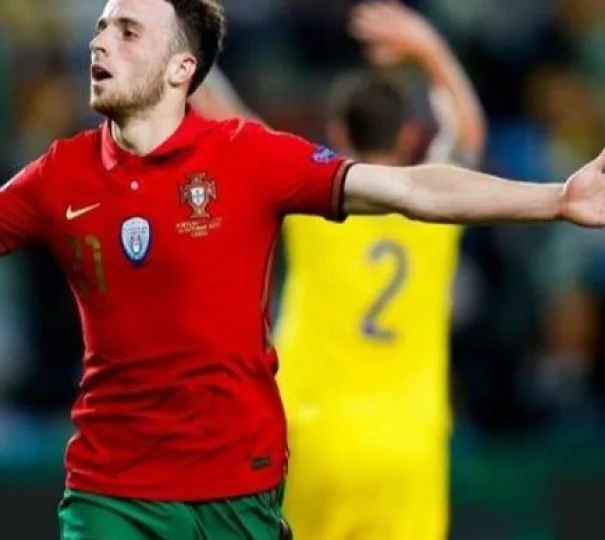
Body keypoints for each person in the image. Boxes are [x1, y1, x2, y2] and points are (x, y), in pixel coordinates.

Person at [0, 0, 605, 538]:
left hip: (244, 493)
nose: (98, 40)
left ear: (181, 68)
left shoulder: (254, 159)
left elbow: (413, 187)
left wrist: (553, 197)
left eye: (125, 29)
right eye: (99, 25)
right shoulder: (61, 175)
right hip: (113, 493)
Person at [192, 2, 482, 539]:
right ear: (407, 136)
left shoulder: (310, 198)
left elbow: (225, 118)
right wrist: (428, 49)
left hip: (311, 432)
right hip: (408, 440)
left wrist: (177, 36)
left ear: (337, 132)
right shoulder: (437, 204)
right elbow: (467, 134)